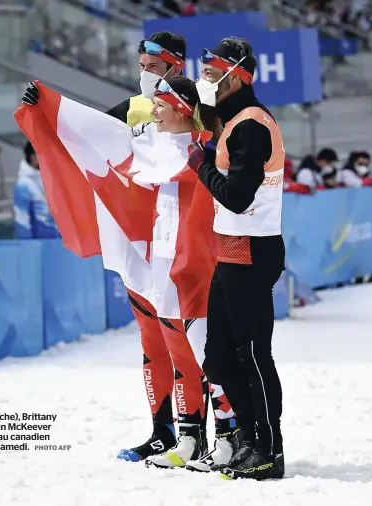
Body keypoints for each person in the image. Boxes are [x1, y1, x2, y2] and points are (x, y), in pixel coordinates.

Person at [20, 76, 239, 469]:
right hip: (162, 263)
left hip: (197, 263)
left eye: (159, 104)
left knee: (211, 357)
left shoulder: (206, 147)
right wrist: (50, 108)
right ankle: (188, 437)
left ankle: (228, 438)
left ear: (180, 108)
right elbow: (96, 135)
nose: (151, 110)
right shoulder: (147, 145)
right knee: (178, 354)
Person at [189, 36, 286, 481]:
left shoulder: (251, 124)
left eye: (211, 75)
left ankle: (268, 448)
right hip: (232, 248)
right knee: (220, 357)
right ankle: (250, 439)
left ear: (235, 77)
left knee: (251, 352)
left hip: (252, 247)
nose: (204, 81)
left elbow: (236, 195)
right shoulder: (233, 119)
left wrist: (201, 164)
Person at [13, 141, 60, 239]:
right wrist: (30, 250)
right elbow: (22, 222)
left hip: (58, 244)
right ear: (33, 157)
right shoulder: (23, 185)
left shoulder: (50, 179)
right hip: (40, 246)